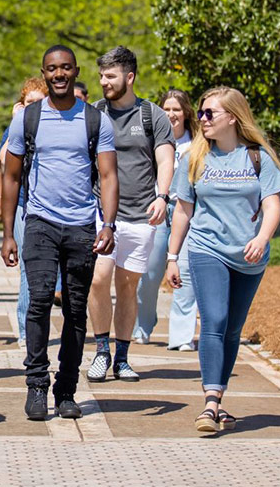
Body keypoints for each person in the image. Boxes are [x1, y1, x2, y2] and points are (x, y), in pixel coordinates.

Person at [1, 45, 119, 421]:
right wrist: (8, 232)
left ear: (75, 71)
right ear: (44, 72)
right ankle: (36, 384)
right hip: (39, 222)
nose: (59, 74)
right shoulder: (28, 119)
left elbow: (109, 175)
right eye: (52, 69)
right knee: (38, 301)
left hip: (82, 224)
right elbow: (12, 176)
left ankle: (66, 389)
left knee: (74, 308)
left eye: (66, 68)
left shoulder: (95, 120)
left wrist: (109, 223)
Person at [164, 86, 280, 433]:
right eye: (200, 113)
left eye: (209, 113)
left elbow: (272, 205)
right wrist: (173, 257)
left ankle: (220, 398)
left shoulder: (257, 157)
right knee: (213, 321)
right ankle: (210, 402)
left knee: (232, 330)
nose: (201, 119)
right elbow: (184, 211)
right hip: (207, 249)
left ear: (232, 117)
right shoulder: (195, 158)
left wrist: (262, 238)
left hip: (249, 256)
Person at [86, 46, 175, 383]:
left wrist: (162, 196)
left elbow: (165, 160)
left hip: (141, 215)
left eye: (110, 76)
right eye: (101, 76)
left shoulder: (152, 116)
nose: (104, 82)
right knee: (98, 280)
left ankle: (121, 357)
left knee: (127, 286)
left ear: (130, 76)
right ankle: (101, 351)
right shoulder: (94, 113)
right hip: (100, 213)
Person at [133, 89, 200, 350]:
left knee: (184, 272)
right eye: (166, 109)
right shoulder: (151, 140)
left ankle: (182, 337)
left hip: (186, 211)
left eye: (176, 109)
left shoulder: (198, 143)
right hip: (157, 211)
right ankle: (143, 326)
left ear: (185, 113)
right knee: (149, 273)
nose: (171, 114)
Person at [0, 77, 49, 341]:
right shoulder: (17, 127)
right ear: (21, 104)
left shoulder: (56, 125)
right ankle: (28, 331)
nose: (35, 108)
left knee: (47, 270)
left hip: (52, 205)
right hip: (24, 204)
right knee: (29, 266)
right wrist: (18, 122)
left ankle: (38, 323)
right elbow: (4, 161)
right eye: (30, 103)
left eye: (40, 103)